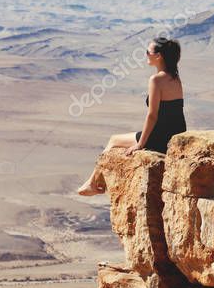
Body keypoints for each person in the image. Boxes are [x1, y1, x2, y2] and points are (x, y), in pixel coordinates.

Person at [77, 36, 185, 195]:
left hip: (160, 136)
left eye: (147, 52)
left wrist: (141, 144)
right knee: (117, 139)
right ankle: (92, 182)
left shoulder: (156, 80)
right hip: (176, 133)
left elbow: (152, 115)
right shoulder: (175, 78)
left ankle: (93, 183)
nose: (146, 55)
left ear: (158, 56)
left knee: (114, 140)